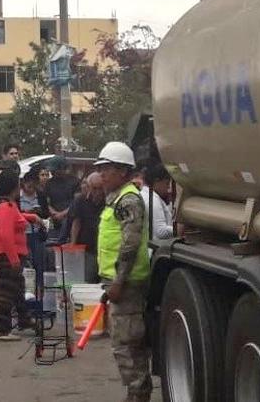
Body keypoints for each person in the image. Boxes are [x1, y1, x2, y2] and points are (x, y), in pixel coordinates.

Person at [95, 142, 152, 402]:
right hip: (119, 283)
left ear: (122, 171)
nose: (102, 174)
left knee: (127, 345)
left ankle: (138, 394)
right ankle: (135, 393)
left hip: (127, 284)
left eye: (106, 169)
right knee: (126, 344)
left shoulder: (128, 200)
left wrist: (118, 281)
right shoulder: (117, 199)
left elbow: (130, 244)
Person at [0, 169, 40, 341]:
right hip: (5, 254)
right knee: (7, 291)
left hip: (3, 253)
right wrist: (14, 259)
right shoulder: (6, 207)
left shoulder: (5, 205)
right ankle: (1, 329)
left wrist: (31, 217)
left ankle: (24, 319)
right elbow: (6, 235)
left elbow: (16, 218)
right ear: (13, 187)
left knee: (17, 286)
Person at [69, 172, 106, 283]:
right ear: (89, 187)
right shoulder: (80, 200)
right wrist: (73, 246)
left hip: (103, 248)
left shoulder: (109, 200)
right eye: (94, 188)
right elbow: (76, 223)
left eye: (100, 188)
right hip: (87, 248)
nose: (98, 192)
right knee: (88, 279)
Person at [45, 156, 80, 243]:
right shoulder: (49, 183)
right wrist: (54, 213)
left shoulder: (74, 181)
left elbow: (77, 202)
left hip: (70, 217)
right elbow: (46, 201)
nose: (52, 172)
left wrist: (63, 214)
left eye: (54, 170)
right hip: (54, 219)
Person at [140, 164, 174, 240]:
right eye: (166, 183)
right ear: (156, 181)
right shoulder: (152, 200)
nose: (168, 188)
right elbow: (160, 232)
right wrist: (177, 229)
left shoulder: (145, 195)